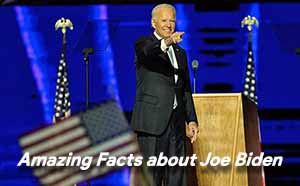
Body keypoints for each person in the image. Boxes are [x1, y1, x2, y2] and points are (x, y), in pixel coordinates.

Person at [131, 4, 199, 186]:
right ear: (154, 23)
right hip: (152, 124)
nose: (169, 25)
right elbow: (147, 52)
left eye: (172, 20)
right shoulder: (143, 45)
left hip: (176, 125)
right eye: (164, 20)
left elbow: (184, 89)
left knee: (177, 178)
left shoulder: (181, 53)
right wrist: (167, 42)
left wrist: (191, 120)